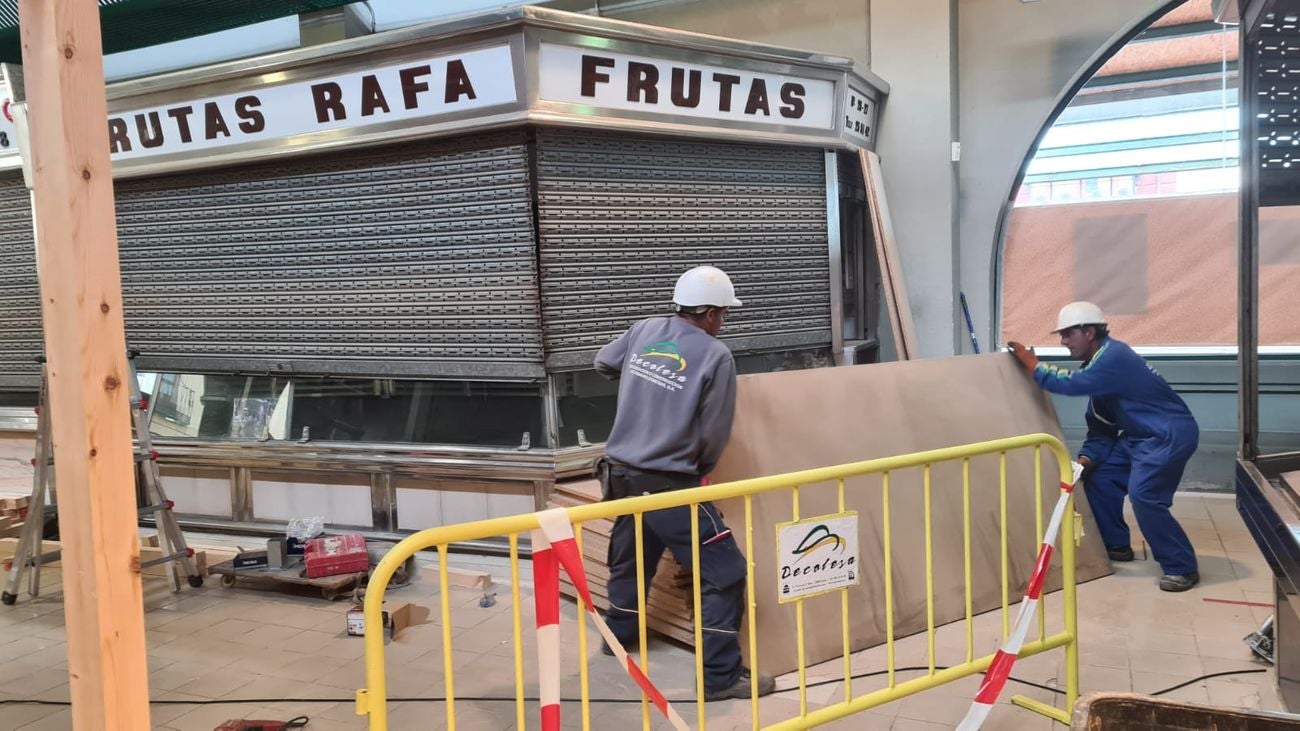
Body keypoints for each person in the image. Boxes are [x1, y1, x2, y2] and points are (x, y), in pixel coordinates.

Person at [592, 265, 776, 701]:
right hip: (669, 482)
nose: (724, 321)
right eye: (723, 313)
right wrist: (701, 472)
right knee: (726, 572)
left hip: (620, 474)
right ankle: (720, 677)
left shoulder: (644, 329)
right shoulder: (716, 356)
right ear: (709, 313)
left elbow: (602, 362)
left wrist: (645, 385)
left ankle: (618, 639)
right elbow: (713, 432)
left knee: (632, 557)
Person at [1007, 302, 1200, 592]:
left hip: (1167, 433)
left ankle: (1181, 566)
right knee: (1100, 479)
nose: (1064, 341)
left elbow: (1071, 384)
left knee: (1145, 496)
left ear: (1090, 332)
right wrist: (1086, 459)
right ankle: (1116, 544)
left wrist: (1034, 366)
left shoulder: (1114, 356)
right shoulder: (1099, 371)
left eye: (1069, 334)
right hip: (1138, 437)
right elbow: (1102, 429)